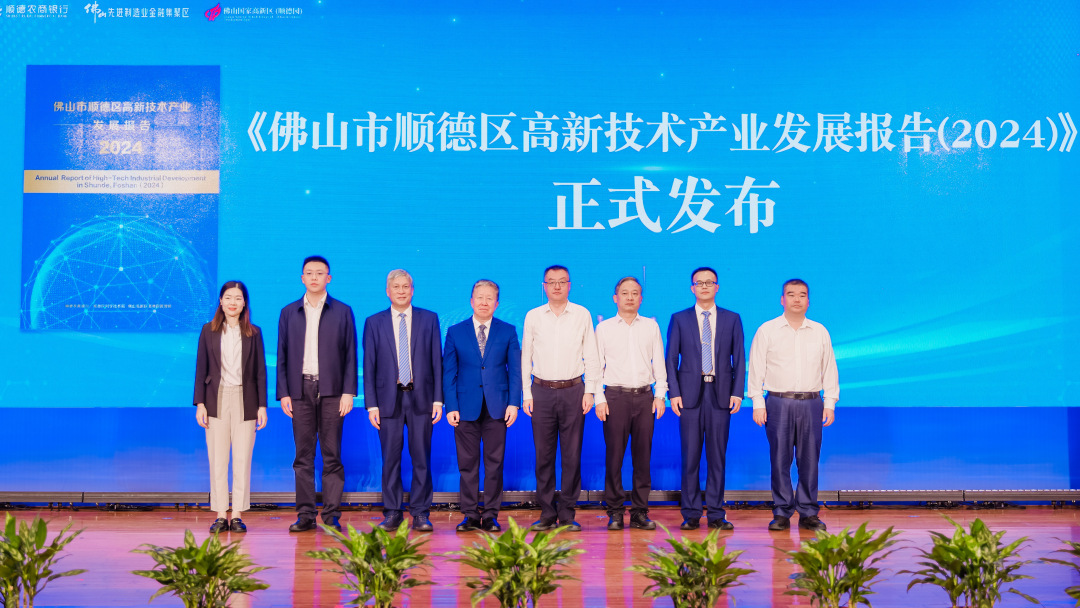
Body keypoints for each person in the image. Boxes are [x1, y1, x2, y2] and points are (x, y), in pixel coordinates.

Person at [748, 279, 838, 532]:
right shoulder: (767, 330)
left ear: (808, 301)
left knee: (809, 460)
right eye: (791, 294)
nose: (796, 299)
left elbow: (829, 368)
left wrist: (830, 402)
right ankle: (782, 512)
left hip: (811, 403)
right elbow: (756, 368)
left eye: (802, 295)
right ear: (782, 299)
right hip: (778, 402)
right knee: (780, 459)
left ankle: (808, 512)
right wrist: (757, 402)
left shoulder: (820, 331)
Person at [277, 256, 357, 532]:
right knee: (303, 456)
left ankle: (332, 514)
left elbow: (350, 354)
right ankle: (306, 514)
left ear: (328, 278)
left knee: (332, 454)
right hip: (300, 391)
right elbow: (282, 355)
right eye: (309, 273)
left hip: (333, 392)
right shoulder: (289, 312)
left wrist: (349, 392)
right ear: (302, 278)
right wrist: (284, 393)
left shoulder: (343, 311)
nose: (314, 277)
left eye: (319, 273)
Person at [521, 265, 601, 532]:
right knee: (543, 456)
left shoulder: (582, 314)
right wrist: (526, 393)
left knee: (571, 455)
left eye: (562, 281)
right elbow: (526, 357)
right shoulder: (533, 316)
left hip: (573, 391)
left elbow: (591, 355)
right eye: (551, 282)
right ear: (544, 286)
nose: (556, 286)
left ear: (569, 285)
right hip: (541, 392)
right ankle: (546, 512)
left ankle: (567, 513)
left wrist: (590, 391)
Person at [665, 267, 745, 531]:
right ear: (692, 288)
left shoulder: (732, 319)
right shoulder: (679, 319)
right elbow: (671, 359)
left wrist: (737, 392)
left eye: (709, 282)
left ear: (717, 287)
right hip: (689, 396)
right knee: (690, 457)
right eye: (699, 283)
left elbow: (739, 358)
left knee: (717, 458)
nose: (704, 286)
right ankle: (690, 513)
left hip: (720, 395)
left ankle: (716, 514)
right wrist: (674, 393)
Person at [364, 269, 444, 532]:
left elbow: (437, 361)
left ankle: (420, 513)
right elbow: (369, 366)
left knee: (421, 458)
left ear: (412, 290)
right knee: (390, 459)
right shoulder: (374, 322)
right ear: (388, 291)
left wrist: (438, 400)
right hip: (388, 400)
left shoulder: (429, 319)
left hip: (421, 398)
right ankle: (392, 512)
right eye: (396, 287)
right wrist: (372, 404)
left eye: (405, 286)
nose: (401, 291)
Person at [443, 279, 522, 533]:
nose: (484, 302)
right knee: (467, 464)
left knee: (494, 464)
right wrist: (450, 406)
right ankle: (469, 514)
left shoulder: (508, 331)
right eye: (480, 297)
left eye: (490, 298)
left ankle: (490, 515)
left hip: (497, 407)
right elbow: (449, 372)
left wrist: (514, 403)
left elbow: (515, 371)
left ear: (497, 303)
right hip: (464, 406)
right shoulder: (455, 332)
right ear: (471, 301)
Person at [193, 280, 268, 533]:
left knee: (242, 458)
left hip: (246, 400)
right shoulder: (208, 330)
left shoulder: (254, 333)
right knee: (217, 458)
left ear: (244, 303)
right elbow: (201, 368)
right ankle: (219, 514)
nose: (232, 302)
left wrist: (262, 406)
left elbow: (260, 373)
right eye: (228, 297)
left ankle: (236, 514)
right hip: (216, 398)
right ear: (221, 301)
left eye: (238, 298)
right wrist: (200, 403)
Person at [594, 277, 667, 531]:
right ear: (615, 298)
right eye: (624, 293)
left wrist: (660, 395)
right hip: (615, 397)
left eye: (635, 293)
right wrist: (599, 397)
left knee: (642, 458)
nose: (629, 297)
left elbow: (659, 362)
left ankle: (639, 512)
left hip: (645, 397)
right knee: (614, 457)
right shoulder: (604, 328)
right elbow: (596, 365)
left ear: (641, 298)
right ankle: (615, 511)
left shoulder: (651, 326)